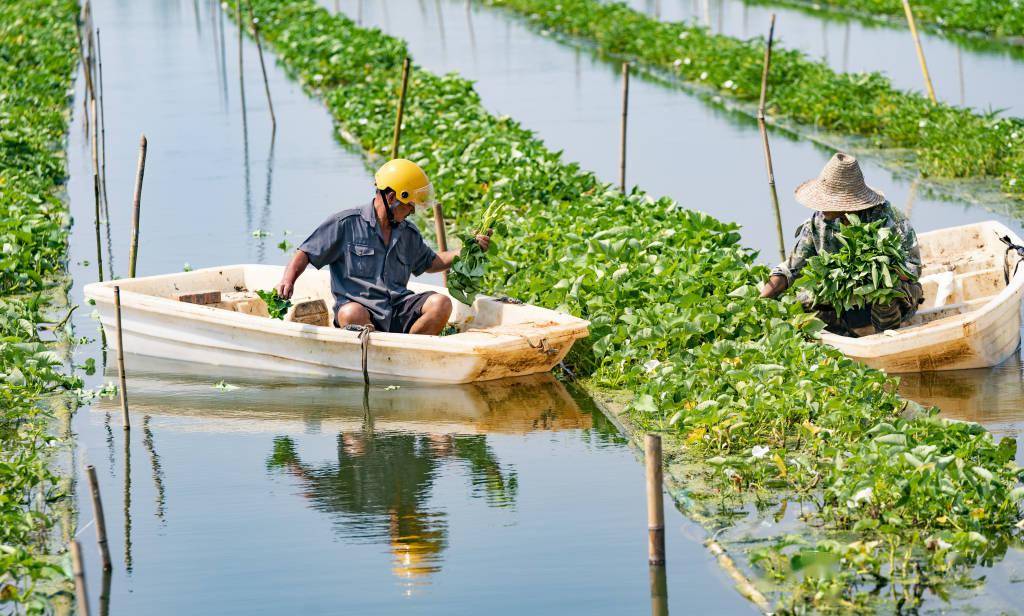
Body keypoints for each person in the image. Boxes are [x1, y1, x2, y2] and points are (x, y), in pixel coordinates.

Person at [274, 159, 491, 335]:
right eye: (409, 205)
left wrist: (465, 251)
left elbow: (432, 262)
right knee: (351, 313)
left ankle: (409, 352)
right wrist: (288, 279)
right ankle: (375, 354)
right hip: (360, 310)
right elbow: (305, 253)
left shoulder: (408, 232)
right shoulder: (345, 223)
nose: (412, 211)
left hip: (398, 308)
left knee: (441, 303)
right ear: (391, 198)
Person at [760, 152, 923, 335]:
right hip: (844, 298)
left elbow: (913, 269)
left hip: (893, 296)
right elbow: (791, 268)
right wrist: (761, 298)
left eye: (827, 200)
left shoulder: (888, 219)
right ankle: (847, 335)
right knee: (802, 300)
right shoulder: (819, 222)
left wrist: (877, 273)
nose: (821, 206)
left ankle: (886, 339)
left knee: (885, 294)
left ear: (846, 203)